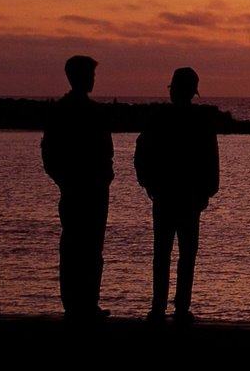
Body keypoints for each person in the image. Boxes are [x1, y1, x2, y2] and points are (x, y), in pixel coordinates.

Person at [134, 67, 219, 323]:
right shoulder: (200, 121)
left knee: (164, 253)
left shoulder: (159, 118)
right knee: (184, 254)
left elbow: (141, 154)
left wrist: (148, 183)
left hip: (167, 196)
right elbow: (210, 161)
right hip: (185, 197)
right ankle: (179, 308)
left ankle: (160, 308)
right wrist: (207, 191)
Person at [41, 55, 114, 321]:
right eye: (90, 75)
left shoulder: (62, 112)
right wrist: (71, 180)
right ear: (81, 77)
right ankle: (81, 303)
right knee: (86, 247)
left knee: (78, 246)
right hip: (85, 190)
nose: (93, 80)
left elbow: (49, 155)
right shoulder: (90, 113)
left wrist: (65, 180)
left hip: (81, 188)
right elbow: (105, 152)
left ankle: (78, 302)